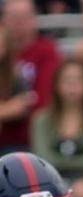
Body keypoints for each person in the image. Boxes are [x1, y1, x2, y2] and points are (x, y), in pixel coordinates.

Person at [30, 58, 83, 180]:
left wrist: (59, 162)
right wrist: (80, 163)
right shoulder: (41, 119)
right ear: (56, 84)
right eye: (67, 80)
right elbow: (42, 159)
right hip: (50, 183)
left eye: (78, 79)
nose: (73, 85)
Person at [0, 0, 60, 154]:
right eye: (13, 18)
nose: (18, 24)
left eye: (24, 17)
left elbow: (41, 102)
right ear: (3, 20)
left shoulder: (47, 51)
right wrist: (7, 110)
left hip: (30, 143)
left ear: (35, 19)